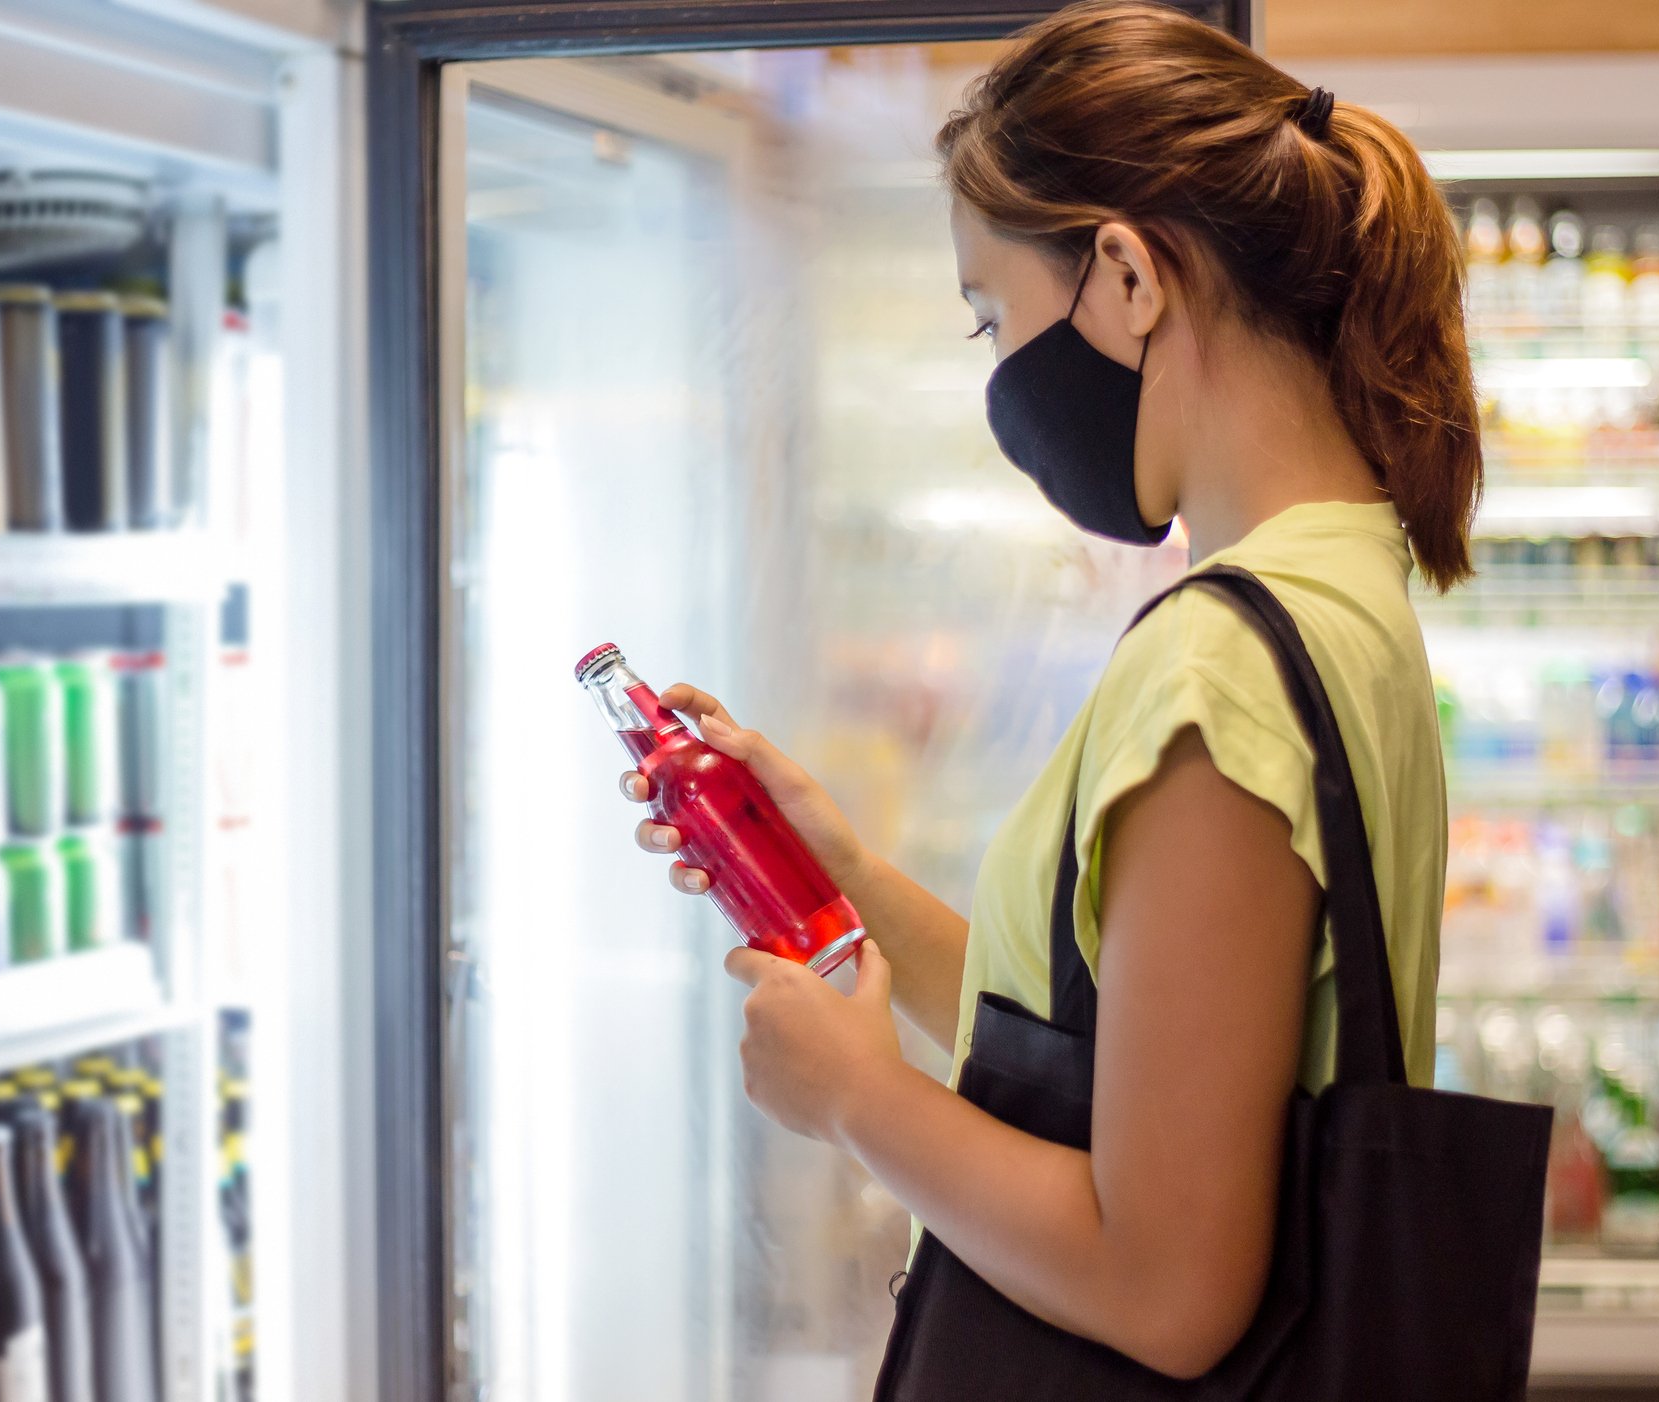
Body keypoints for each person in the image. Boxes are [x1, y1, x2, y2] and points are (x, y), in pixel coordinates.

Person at [621, 0, 1480, 1380]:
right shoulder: (1343, 584)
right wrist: (844, 873)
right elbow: (1137, 1056)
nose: (1001, 379)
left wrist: (857, 1100)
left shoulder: (1223, 665)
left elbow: (1168, 1281)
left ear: (1129, 281)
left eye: (989, 316)